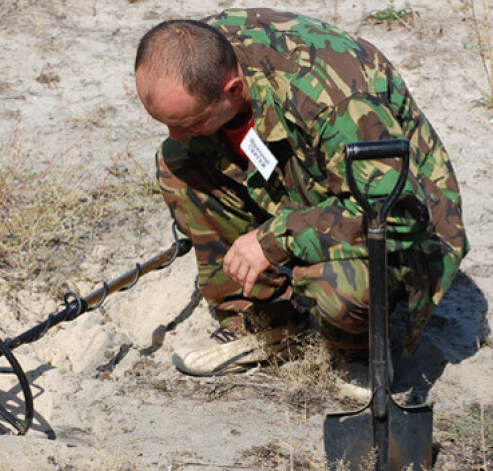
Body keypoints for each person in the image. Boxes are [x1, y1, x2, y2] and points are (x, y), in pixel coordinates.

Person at [134, 8, 469, 376]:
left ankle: (356, 350)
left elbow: (397, 217)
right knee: (179, 162)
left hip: (405, 228)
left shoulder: (339, 102)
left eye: (191, 121)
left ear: (231, 88)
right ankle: (267, 323)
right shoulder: (199, 50)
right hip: (308, 180)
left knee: (341, 290)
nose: (175, 134)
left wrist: (273, 238)